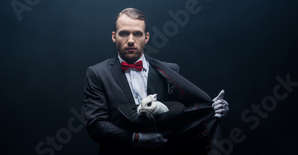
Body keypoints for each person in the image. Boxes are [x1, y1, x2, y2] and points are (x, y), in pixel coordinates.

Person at [83, 8, 229, 154]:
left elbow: (181, 116)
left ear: (146, 38)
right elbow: (96, 124)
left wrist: (211, 108)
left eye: (137, 34)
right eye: (124, 33)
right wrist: (135, 138)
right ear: (114, 37)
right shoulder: (97, 73)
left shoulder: (170, 71)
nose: (131, 40)